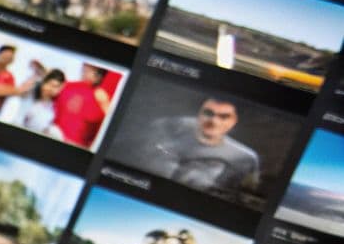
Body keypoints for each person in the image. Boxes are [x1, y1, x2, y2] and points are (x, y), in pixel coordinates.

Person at [129, 97, 261, 196]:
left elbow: (242, 196)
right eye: (208, 113)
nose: (214, 121)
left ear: (233, 121)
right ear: (199, 114)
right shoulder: (165, 128)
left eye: (224, 116)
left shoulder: (244, 157)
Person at [52, 65, 113, 148]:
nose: (84, 71)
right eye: (85, 69)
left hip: (79, 146)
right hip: (55, 136)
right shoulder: (70, 86)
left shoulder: (101, 96)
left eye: (89, 70)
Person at [5, 67, 66, 138]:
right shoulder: (29, 94)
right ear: (44, 82)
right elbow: (22, 89)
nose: (51, 89)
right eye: (49, 84)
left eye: (56, 87)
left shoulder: (52, 107)